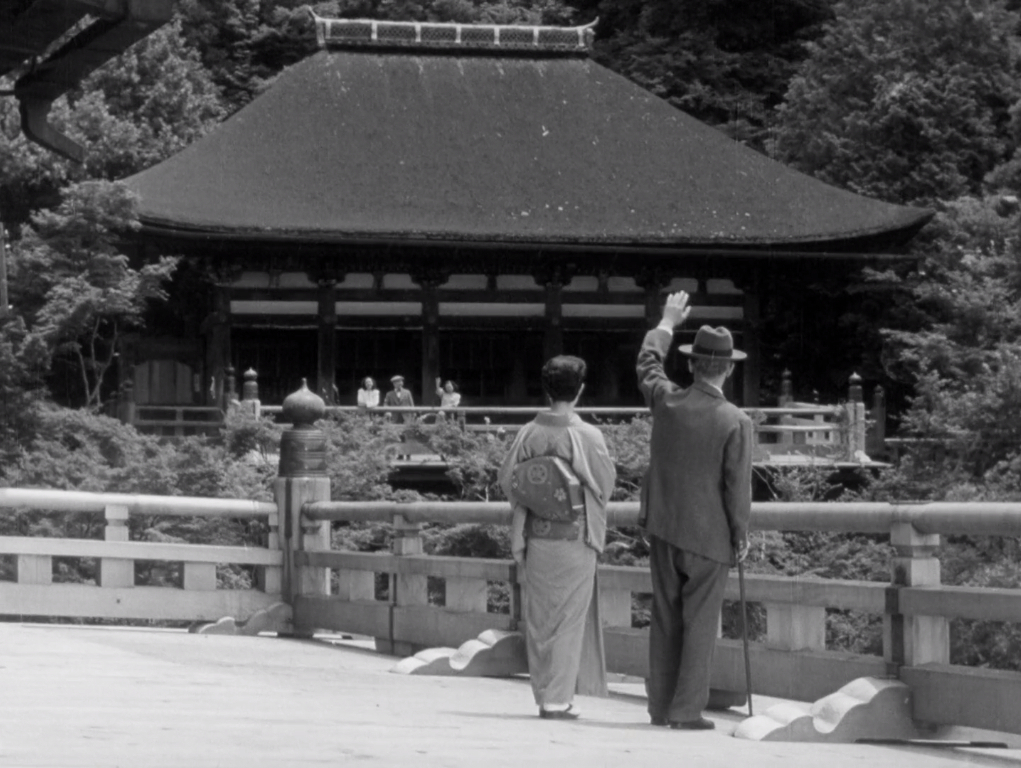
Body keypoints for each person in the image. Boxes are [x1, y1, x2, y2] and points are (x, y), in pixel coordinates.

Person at [636, 290, 752, 731]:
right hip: (709, 538)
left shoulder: (666, 401)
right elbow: (736, 490)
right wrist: (740, 536)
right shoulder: (735, 420)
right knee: (700, 624)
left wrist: (666, 322)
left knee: (664, 618)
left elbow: (647, 362)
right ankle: (686, 712)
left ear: (690, 363)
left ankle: (660, 707)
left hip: (663, 529)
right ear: (728, 367)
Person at [498, 355, 616, 721]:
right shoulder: (588, 435)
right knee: (568, 619)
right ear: (580, 390)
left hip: (537, 535)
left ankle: (546, 694)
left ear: (547, 389)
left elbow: (509, 481)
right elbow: (605, 486)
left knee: (540, 617)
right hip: (574, 537)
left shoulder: (529, 433)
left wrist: (538, 496)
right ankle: (557, 699)